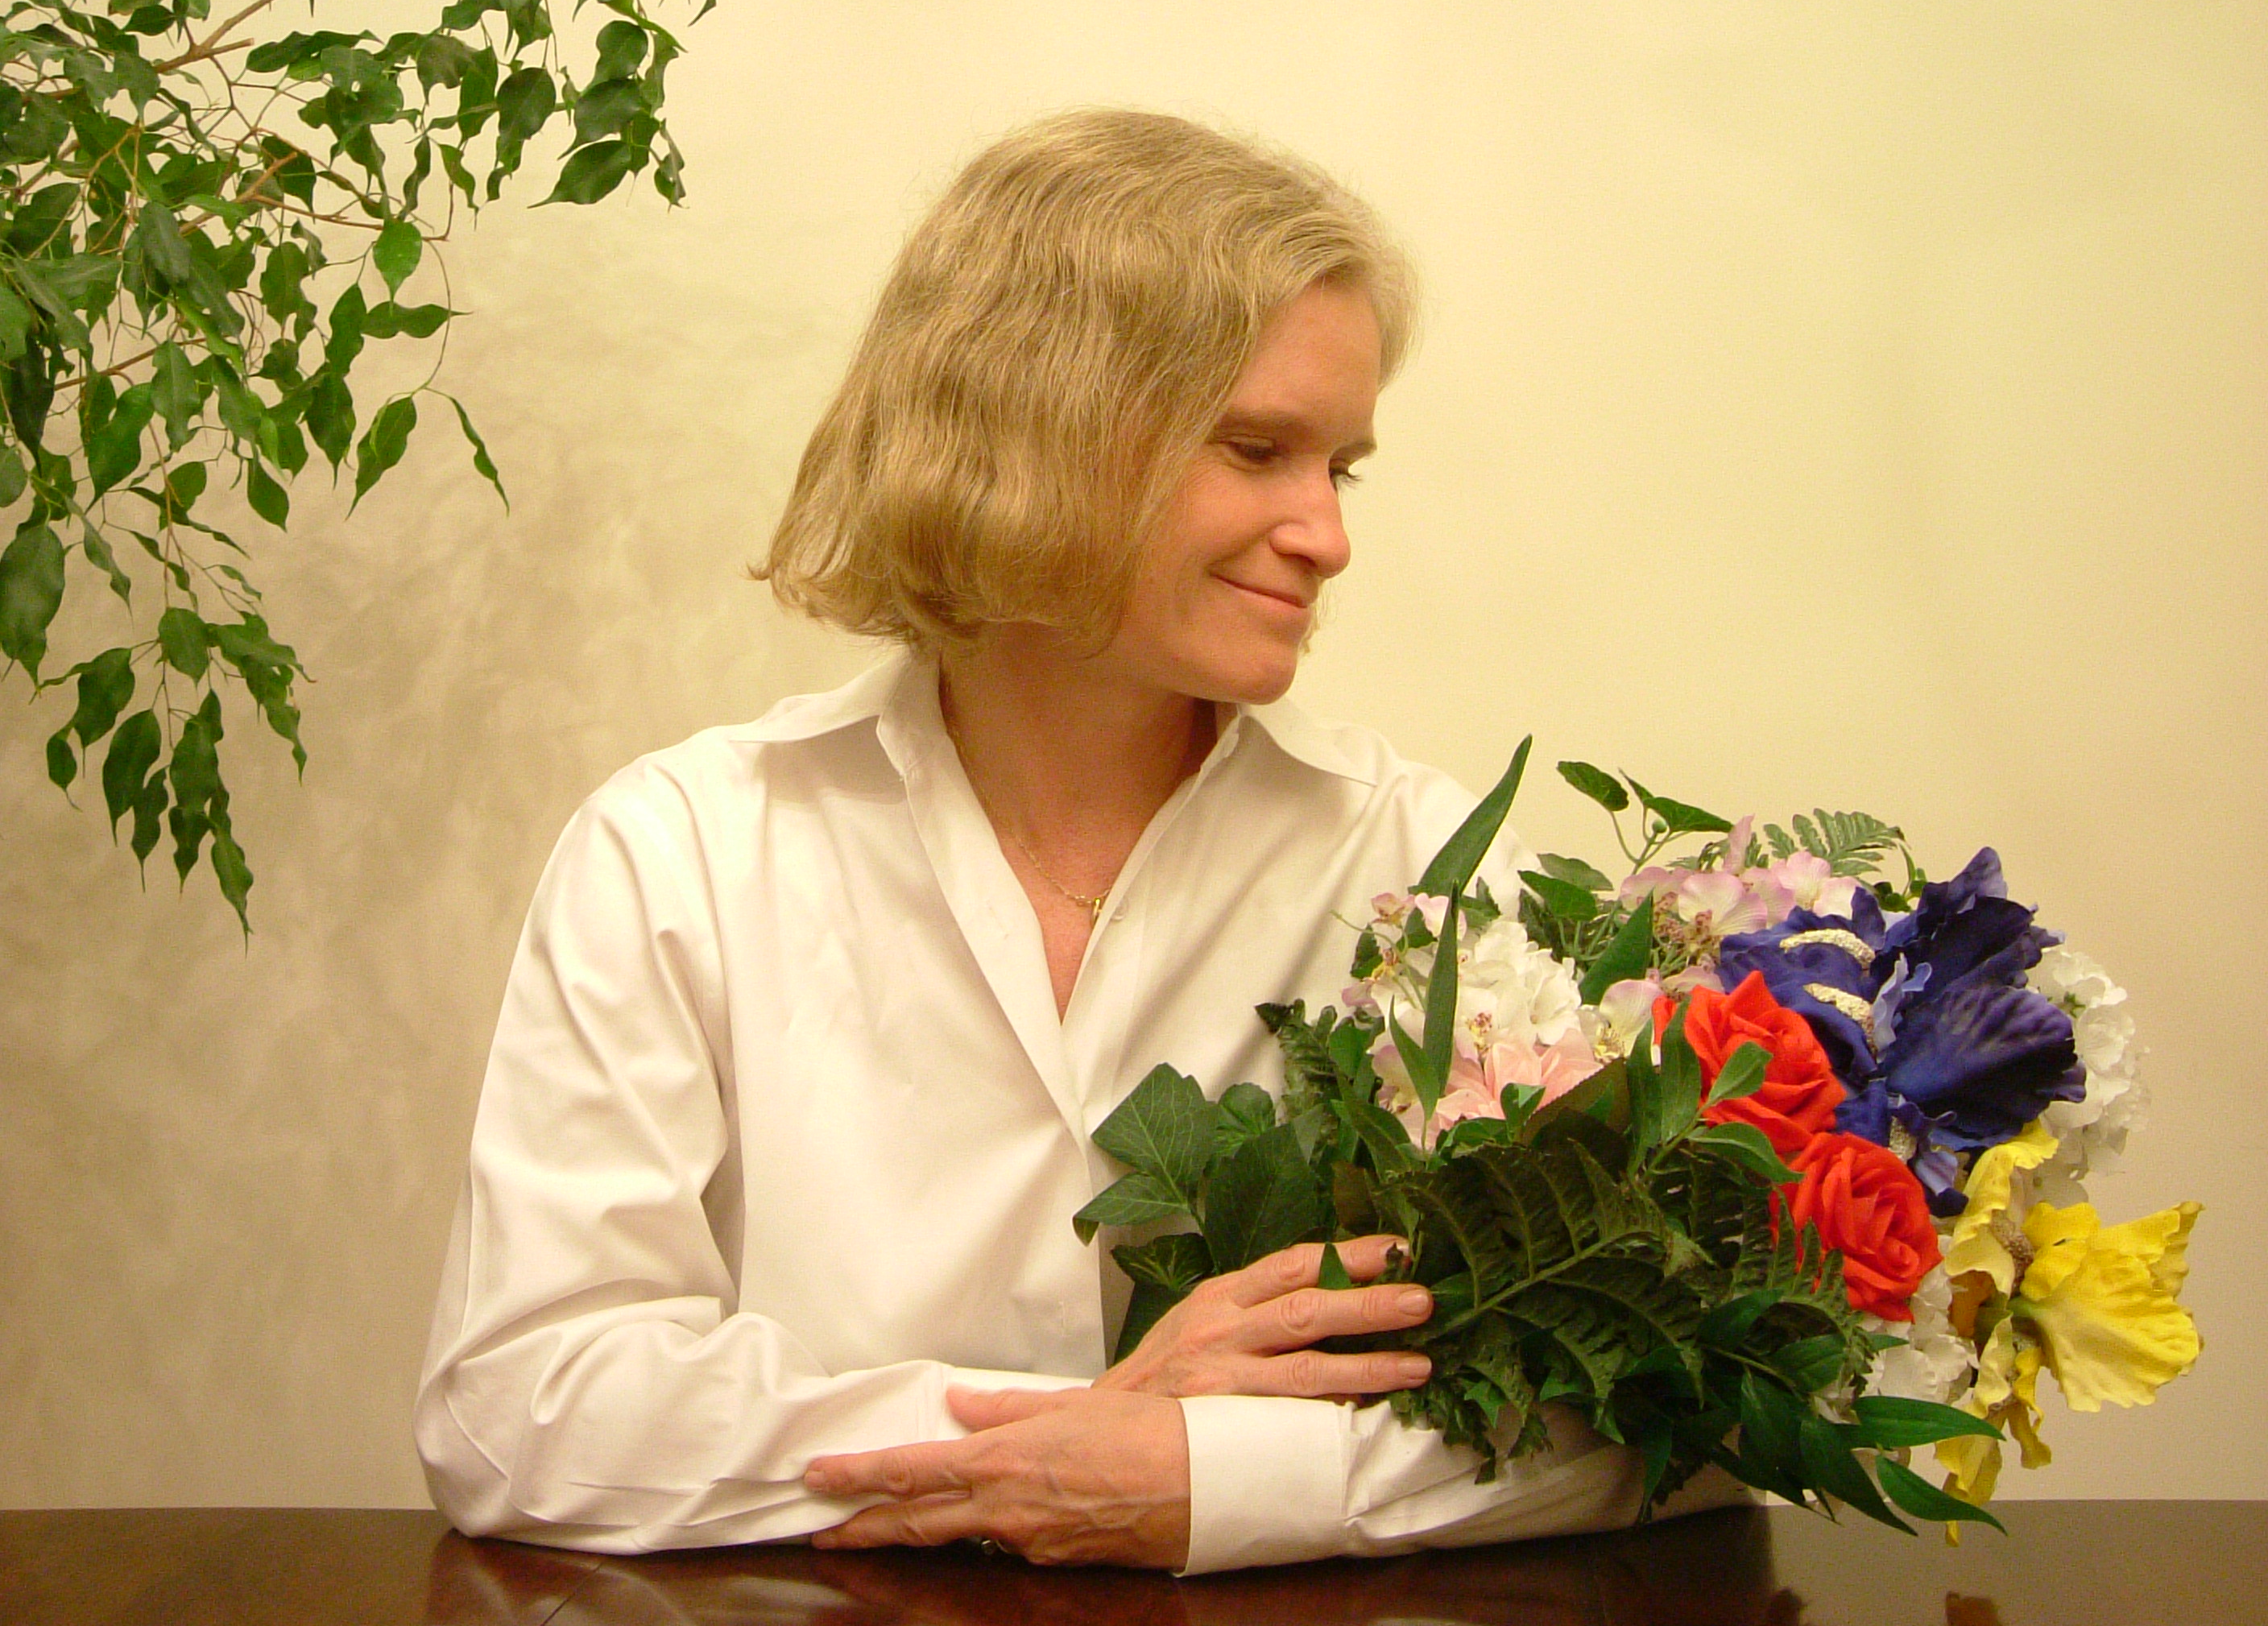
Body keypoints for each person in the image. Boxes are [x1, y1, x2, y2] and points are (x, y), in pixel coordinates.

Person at [416, 108, 1740, 1571]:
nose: (1328, 536)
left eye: (1341, 468)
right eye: (1258, 449)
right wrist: (1073, 1443)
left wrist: (1215, 1481)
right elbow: (521, 1410)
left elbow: (1704, 1405)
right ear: (1035, 423)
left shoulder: (1418, 866)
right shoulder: (687, 852)